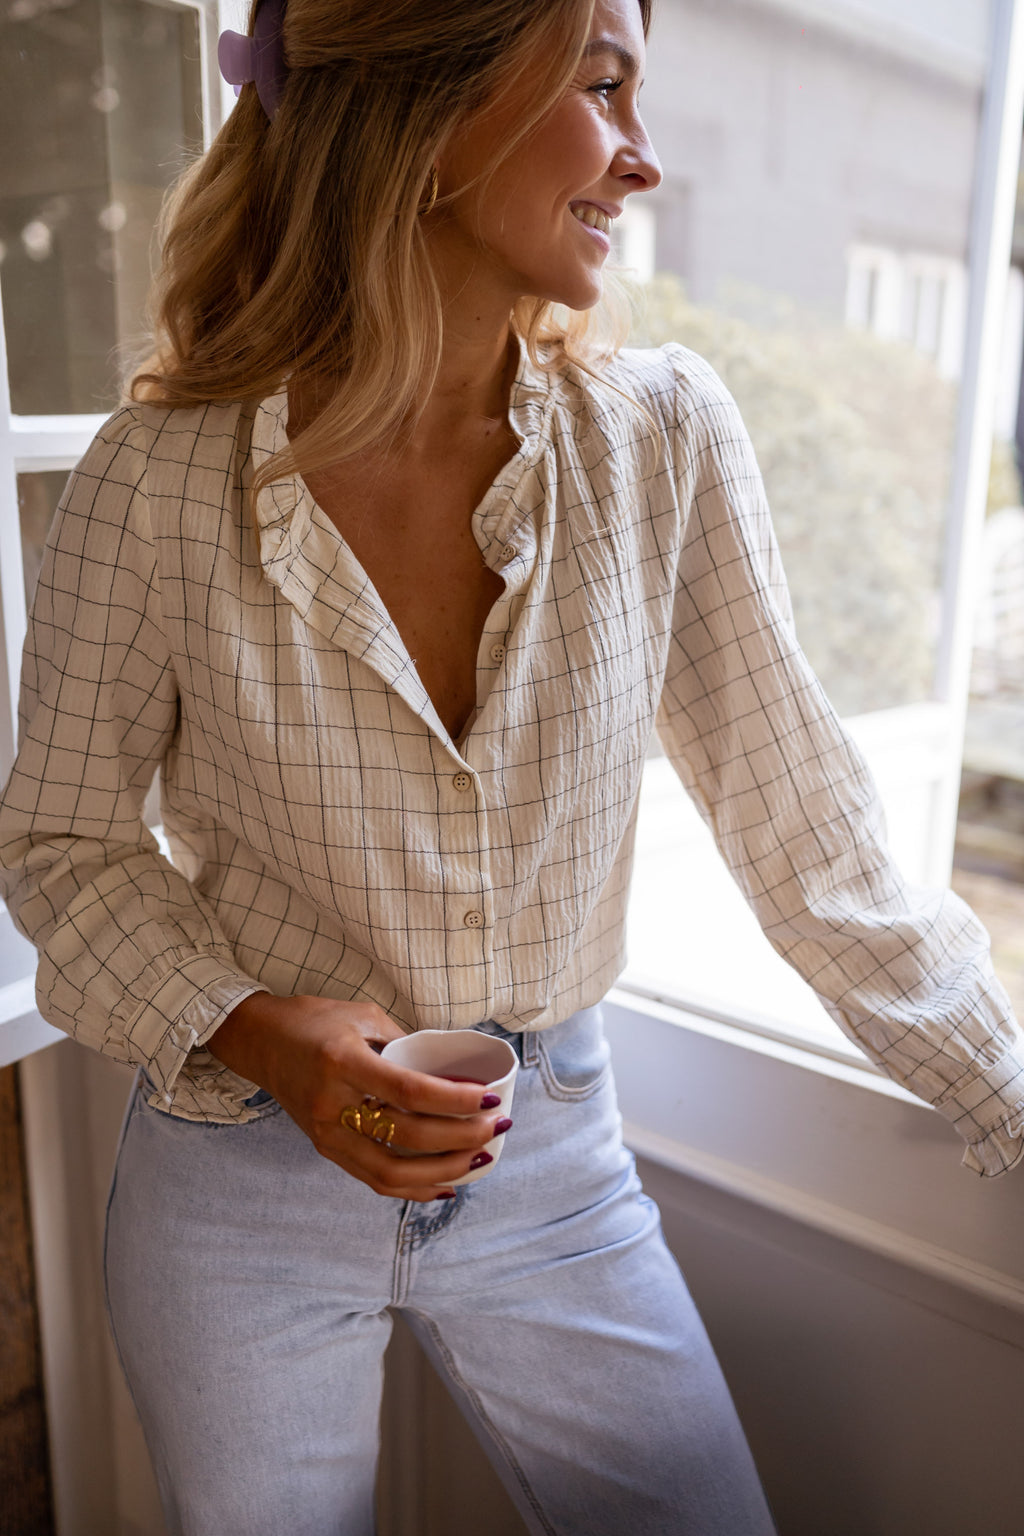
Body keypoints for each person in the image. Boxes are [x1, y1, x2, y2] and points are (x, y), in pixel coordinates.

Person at [1, 0, 1021, 1531]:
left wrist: (1007, 1095)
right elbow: (60, 851)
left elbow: (814, 840)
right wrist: (267, 1035)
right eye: (603, 86)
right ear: (425, 117)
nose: (645, 158)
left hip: (558, 1168)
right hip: (237, 1181)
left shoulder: (661, 442)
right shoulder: (155, 490)